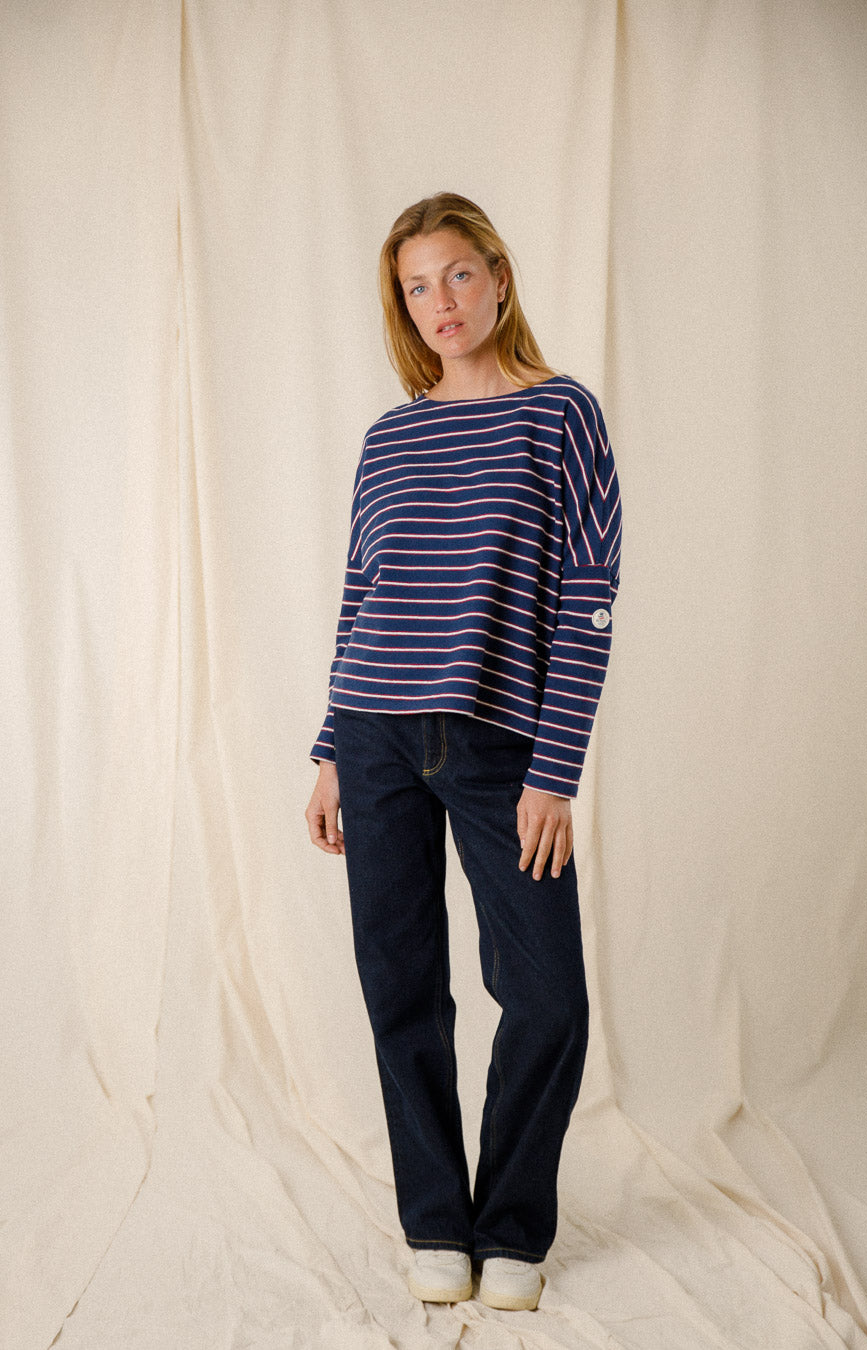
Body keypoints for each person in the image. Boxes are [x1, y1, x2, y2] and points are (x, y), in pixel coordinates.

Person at [305, 192, 621, 1312]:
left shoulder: (562, 415)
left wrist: (555, 769)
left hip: (500, 747)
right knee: (401, 988)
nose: (438, 302)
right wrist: (329, 751)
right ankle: (436, 1223)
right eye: (415, 287)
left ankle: (513, 1227)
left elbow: (590, 595)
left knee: (547, 996)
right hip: (376, 738)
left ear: (497, 275)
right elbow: (362, 595)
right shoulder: (389, 436)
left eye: (455, 275)